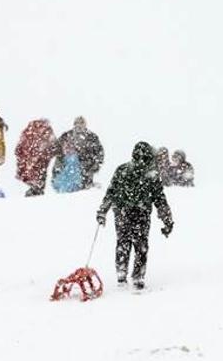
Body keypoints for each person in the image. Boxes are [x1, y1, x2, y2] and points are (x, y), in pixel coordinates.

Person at [96, 142, 173, 290]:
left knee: (123, 242)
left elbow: (111, 192)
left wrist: (102, 211)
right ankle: (138, 276)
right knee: (141, 244)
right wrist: (167, 219)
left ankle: (122, 272)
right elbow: (160, 199)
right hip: (140, 213)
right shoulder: (151, 174)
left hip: (122, 212)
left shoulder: (122, 170)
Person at [54, 116, 104, 189]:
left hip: (87, 166)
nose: (79, 125)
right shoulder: (67, 135)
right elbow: (57, 149)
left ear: (85, 124)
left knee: (84, 190)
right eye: (77, 123)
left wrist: (97, 164)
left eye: (81, 123)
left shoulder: (92, 137)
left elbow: (99, 152)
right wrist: (58, 163)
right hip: (68, 168)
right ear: (74, 124)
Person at [15, 119, 57, 196]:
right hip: (41, 159)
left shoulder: (29, 130)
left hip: (31, 158)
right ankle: (37, 189)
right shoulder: (46, 130)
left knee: (31, 173)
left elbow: (21, 144)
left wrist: (20, 153)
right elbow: (53, 145)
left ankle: (35, 188)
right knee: (40, 174)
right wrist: (48, 154)